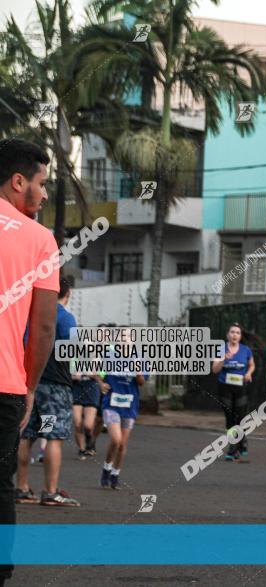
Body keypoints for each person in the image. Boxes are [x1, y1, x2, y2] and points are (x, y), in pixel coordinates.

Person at [0, 138, 59, 585]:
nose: (43, 194)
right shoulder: (41, 241)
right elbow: (42, 329)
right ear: (18, 182)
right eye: (41, 184)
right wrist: (30, 387)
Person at [16, 276, 80, 506]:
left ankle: (21, 488)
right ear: (68, 293)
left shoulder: (31, 314)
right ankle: (51, 491)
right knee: (52, 435)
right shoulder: (65, 317)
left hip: (31, 384)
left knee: (27, 435)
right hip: (55, 388)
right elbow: (73, 351)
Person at [99, 327, 147, 490]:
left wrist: (138, 371)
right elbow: (93, 370)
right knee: (116, 439)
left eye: (127, 337)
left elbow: (141, 382)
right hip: (111, 404)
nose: (124, 340)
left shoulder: (140, 357)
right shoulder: (109, 356)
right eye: (121, 337)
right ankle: (106, 468)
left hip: (129, 406)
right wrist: (101, 383)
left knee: (122, 445)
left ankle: (114, 474)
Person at [211, 323, 255, 460]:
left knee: (240, 417)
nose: (235, 334)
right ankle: (233, 446)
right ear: (227, 335)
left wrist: (248, 373)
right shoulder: (221, 349)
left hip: (241, 387)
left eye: (237, 332)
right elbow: (215, 370)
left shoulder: (246, 350)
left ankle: (242, 441)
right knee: (230, 417)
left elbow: (252, 365)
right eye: (232, 332)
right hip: (225, 387)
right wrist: (224, 359)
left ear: (240, 336)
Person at [72, 368, 105, 459]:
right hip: (76, 389)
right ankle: (81, 449)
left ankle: (90, 440)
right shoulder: (74, 357)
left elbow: (102, 374)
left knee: (88, 425)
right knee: (77, 423)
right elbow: (66, 372)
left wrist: (92, 374)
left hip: (92, 389)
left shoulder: (96, 358)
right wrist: (73, 376)